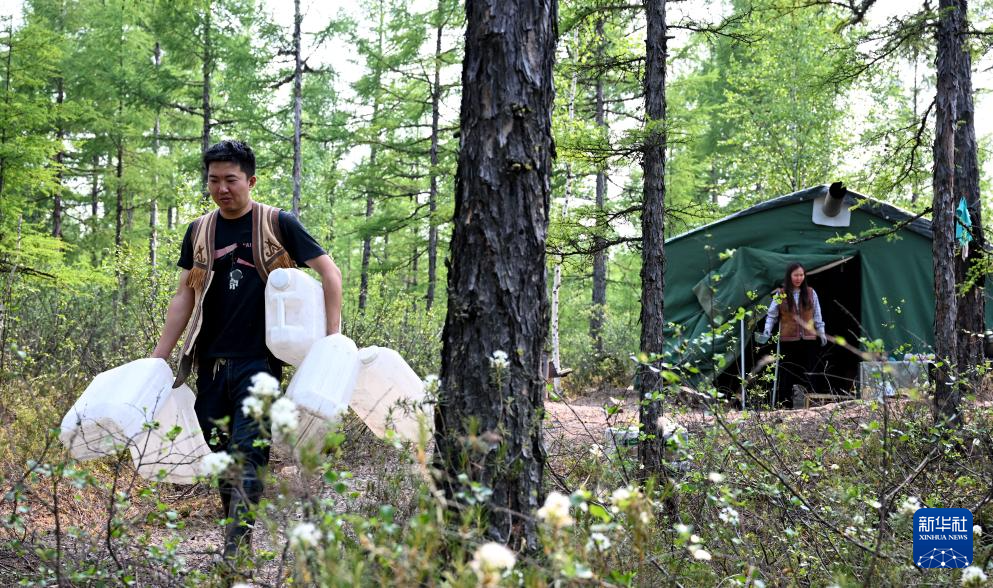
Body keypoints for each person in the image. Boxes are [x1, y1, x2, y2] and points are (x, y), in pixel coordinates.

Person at [151, 140, 343, 559]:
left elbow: (330, 271)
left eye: (231, 180)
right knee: (221, 455)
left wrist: (333, 338)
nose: (222, 188)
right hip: (210, 362)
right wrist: (158, 357)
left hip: (261, 362)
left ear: (250, 181)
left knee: (249, 450)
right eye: (214, 180)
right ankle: (235, 537)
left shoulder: (278, 222)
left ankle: (236, 549)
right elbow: (184, 296)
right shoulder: (199, 230)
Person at [762, 262, 826, 408]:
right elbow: (772, 315)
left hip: (809, 339)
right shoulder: (780, 294)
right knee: (787, 372)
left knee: (811, 371)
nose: (799, 278)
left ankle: (813, 403)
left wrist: (821, 332)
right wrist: (767, 329)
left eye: (801, 275)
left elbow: (817, 314)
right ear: (789, 276)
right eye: (796, 275)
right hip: (788, 339)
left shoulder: (810, 292)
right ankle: (784, 404)